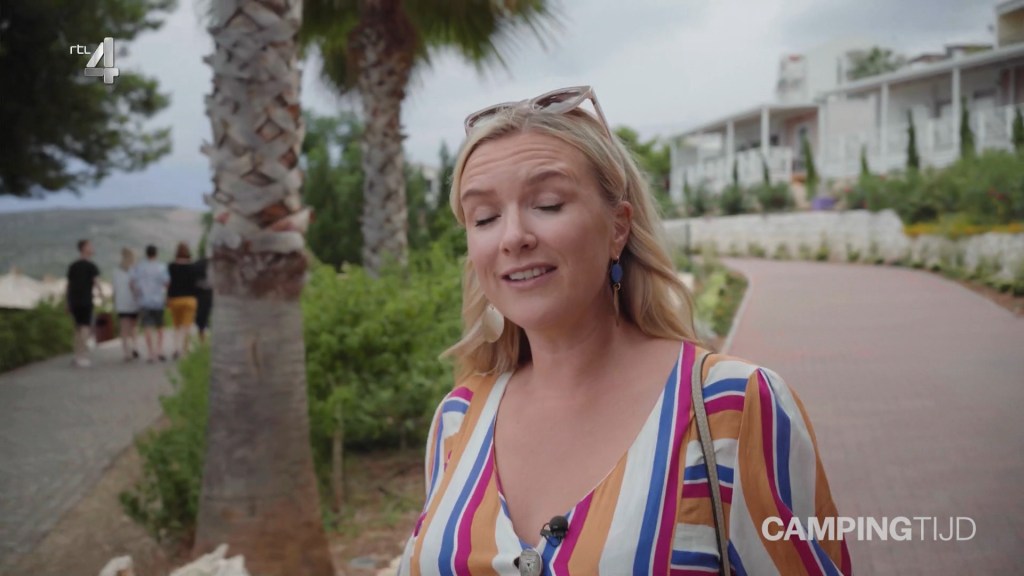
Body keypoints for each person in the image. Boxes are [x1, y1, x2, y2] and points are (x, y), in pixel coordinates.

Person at [398, 86, 851, 575]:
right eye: (484, 217)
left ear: (618, 227)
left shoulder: (732, 406)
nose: (512, 237)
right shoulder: (457, 419)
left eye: (547, 204)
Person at [66, 239, 103, 368]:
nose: (92, 248)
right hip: (85, 301)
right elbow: (96, 282)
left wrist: (67, 302)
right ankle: (82, 356)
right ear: (84, 248)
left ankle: (77, 355)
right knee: (85, 328)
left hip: (74, 301)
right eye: (90, 246)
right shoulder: (91, 266)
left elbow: (69, 286)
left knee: (77, 328)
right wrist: (101, 295)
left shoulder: (73, 266)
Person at [131, 244, 170, 363]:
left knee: (147, 327)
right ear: (156, 254)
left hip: (144, 301)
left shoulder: (140, 267)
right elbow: (167, 283)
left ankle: (150, 353)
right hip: (158, 301)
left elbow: (132, 283)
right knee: (160, 327)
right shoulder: (161, 267)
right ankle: (159, 351)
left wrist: (137, 295)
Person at [166, 242, 200, 360]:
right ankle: (184, 350)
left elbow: (169, 284)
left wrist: (168, 298)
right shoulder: (193, 267)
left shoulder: (171, 266)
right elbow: (196, 284)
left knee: (176, 326)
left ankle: (176, 348)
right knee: (186, 327)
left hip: (175, 299)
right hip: (190, 300)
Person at [112, 248, 141, 361]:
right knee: (133, 327)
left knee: (124, 328)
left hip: (121, 303)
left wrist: (114, 303)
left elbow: (115, 289)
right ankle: (134, 346)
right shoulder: (135, 271)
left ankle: (126, 351)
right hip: (133, 302)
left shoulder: (116, 272)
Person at [192, 257, 213, 342]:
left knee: (201, 317)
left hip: (199, 295)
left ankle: (202, 337)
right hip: (209, 295)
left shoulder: (196, 265)